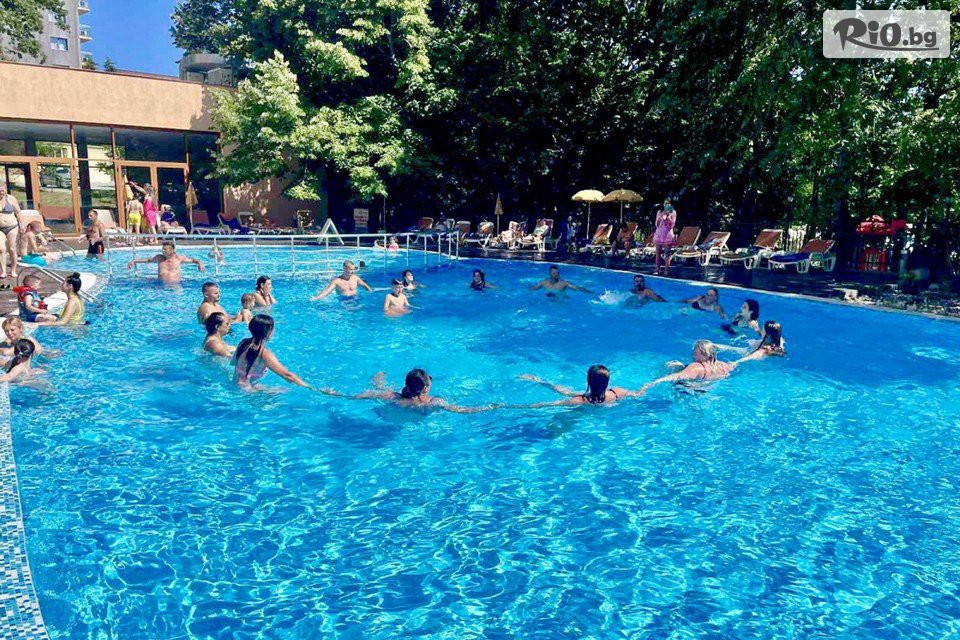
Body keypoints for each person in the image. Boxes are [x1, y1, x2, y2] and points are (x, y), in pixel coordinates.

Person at [326, 369, 499, 413]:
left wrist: (333, 393)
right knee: (384, 390)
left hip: (395, 405)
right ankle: (378, 380)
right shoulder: (434, 402)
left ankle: (378, 379)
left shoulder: (395, 398)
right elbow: (464, 410)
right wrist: (492, 406)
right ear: (426, 388)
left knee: (382, 390)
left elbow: (357, 396)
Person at [233, 314, 309, 388]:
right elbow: (287, 375)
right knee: (284, 390)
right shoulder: (264, 353)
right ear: (267, 331)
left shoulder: (243, 343)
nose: (274, 331)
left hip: (236, 384)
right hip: (248, 391)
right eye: (273, 328)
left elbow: (233, 363)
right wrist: (309, 387)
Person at [640, 340, 737, 393]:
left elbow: (676, 376)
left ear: (705, 355)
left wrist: (651, 384)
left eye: (695, 353)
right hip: (708, 391)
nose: (693, 355)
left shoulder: (697, 367)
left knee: (671, 367)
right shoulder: (723, 366)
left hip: (689, 392)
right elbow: (735, 365)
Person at [518, 365, 639, 406]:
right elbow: (638, 394)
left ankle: (537, 380)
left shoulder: (579, 400)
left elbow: (547, 405)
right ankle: (537, 380)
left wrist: (515, 407)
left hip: (584, 408)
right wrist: (650, 383)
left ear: (589, 381)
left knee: (566, 392)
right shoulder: (618, 392)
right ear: (607, 381)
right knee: (566, 392)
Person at [126, 242, 205, 284]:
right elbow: (148, 260)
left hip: (175, 285)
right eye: (162, 249)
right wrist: (134, 261)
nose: (162, 250)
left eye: (164, 249)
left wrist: (200, 263)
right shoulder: (159, 258)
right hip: (160, 284)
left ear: (171, 250)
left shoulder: (178, 258)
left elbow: (193, 260)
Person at [0, 182, 23, 279]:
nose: (1, 193)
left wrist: (21, 224)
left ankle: (13, 270)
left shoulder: (11, 199)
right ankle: (3, 271)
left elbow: (18, 212)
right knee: (1, 249)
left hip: (12, 227)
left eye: (2, 190)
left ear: (5, 190)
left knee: (12, 249)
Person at [653, 199, 676, 275]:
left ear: (671, 205)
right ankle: (657, 269)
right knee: (658, 253)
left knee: (667, 253)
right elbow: (657, 224)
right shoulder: (659, 212)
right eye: (665, 203)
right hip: (659, 234)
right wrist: (661, 216)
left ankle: (666, 270)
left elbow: (672, 225)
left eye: (668, 203)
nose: (667, 205)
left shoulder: (673, 212)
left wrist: (668, 217)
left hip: (668, 235)